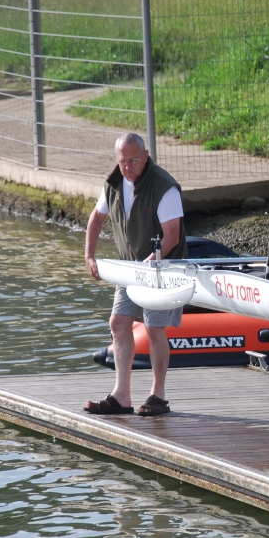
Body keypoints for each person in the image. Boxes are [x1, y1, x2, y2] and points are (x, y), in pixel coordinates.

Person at [83, 132, 187, 417]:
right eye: (122, 161)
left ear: (146, 156)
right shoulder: (114, 183)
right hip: (130, 267)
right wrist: (89, 255)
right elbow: (96, 218)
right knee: (118, 322)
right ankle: (122, 396)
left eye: (133, 160)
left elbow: (172, 237)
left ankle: (158, 396)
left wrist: (148, 265)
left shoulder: (165, 187)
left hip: (161, 269)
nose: (127, 167)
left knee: (154, 328)